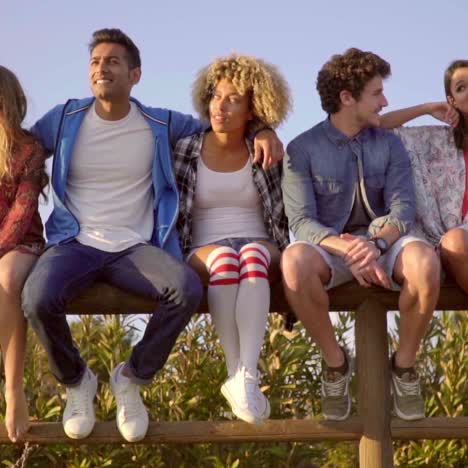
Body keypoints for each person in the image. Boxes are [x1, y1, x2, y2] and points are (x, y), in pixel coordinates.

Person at [21, 29, 283, 443]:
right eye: (95, 62)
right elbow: (20, 148)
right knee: (36, 298)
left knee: (185, 288)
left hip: (135, 247)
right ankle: (77, 381)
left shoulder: (160, 124)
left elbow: (221, 122)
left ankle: (132, 376)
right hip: (75, 243)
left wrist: (264, 129)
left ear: (135, 74)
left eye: (112, 62)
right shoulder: (66, 118)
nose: (101, 68)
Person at [281, 48, 441, 422]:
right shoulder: (302, 148)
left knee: (424, 263)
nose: (384, 102)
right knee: (293, 262)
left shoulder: (390, 143)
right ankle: (336, 364)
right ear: (347, 98)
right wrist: (349, 248)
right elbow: (302, 221)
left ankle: (404, 366)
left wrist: (375, 244)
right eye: (376, 94)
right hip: (330, 246)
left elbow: (403, 210)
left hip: (385, 242)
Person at [173, 54, 291, 424]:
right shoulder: (185, 149)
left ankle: (247, 376)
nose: (220, 107)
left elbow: (282, 213)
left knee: (251, 255)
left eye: (233, 99)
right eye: (216, 96)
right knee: (226, 258)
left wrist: (266, 132)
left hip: (260, 241)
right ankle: (234, 372)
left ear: (253, 109)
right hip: (203, 247)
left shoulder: (265, 148)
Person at [379, 60, 468, 293]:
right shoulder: (437, 140)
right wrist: (427, 108)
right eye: (461, 87)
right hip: (458, 238)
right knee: (454, 242)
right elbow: (378, 125)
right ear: (452, 101)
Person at [0, 66, 48, 442]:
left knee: (8, 278)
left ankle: (13, 390)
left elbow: (23, 212)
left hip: (22, 244)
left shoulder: (28, 149)